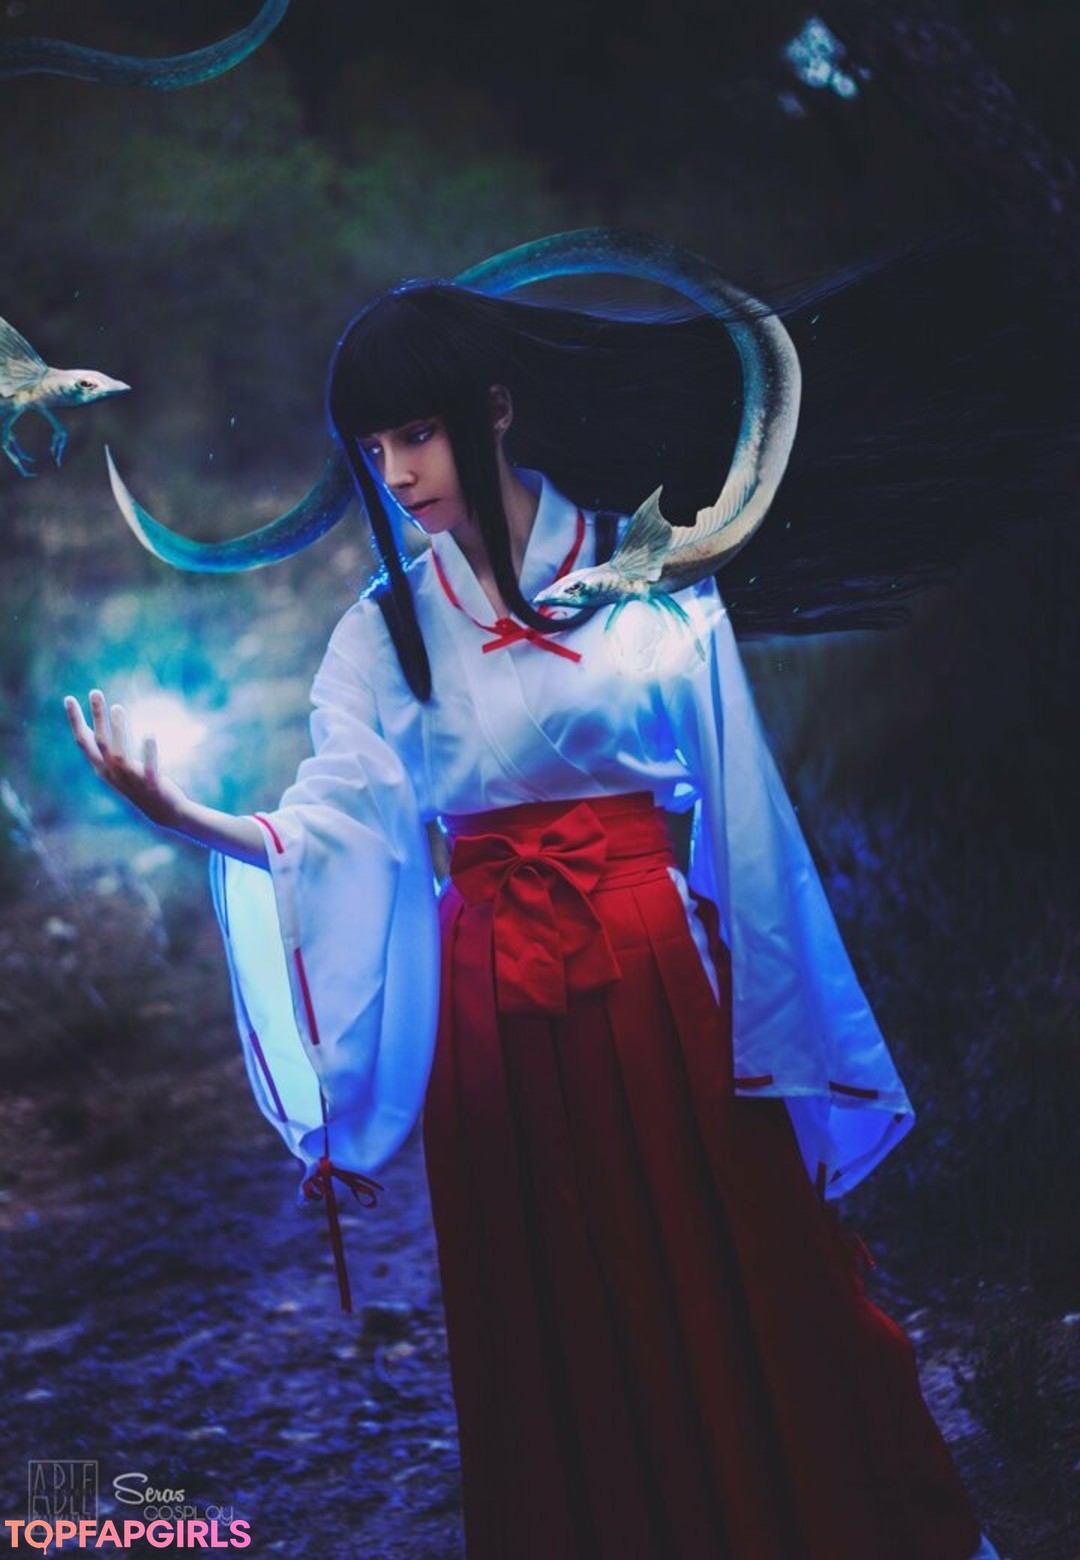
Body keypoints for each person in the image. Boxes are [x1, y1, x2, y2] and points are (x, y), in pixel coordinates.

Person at [66, 277, 1001, 1559]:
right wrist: (185, 817)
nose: (399, 473)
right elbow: (335, 833)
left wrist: (783, 1032)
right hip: (492, 1005)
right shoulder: (380, 636)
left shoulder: (648, 574)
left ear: (495, 408)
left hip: (658, 975)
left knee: (736, 1270)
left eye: (418, 434)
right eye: (374, 448)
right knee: (545, 1306)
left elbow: (741, 806)